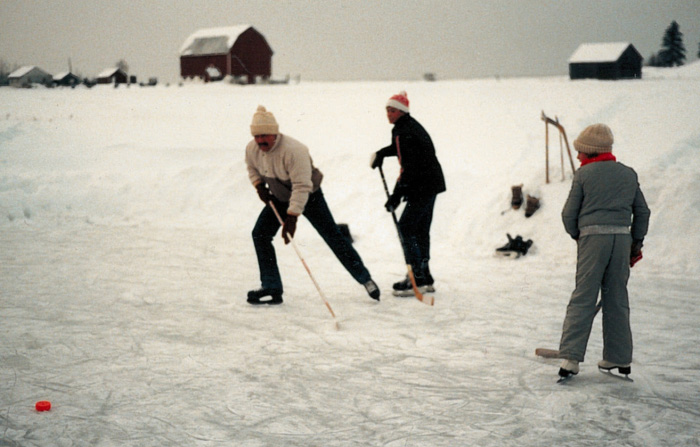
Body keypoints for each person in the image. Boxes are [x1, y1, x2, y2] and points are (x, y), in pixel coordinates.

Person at [245, 105, 380, 305]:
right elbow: (252, 168)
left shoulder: (294, 150)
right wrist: (259, 187)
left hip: (310, 196)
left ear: (275, 133)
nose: (260, 141)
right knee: (260, 234)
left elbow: (302, 186)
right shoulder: (252, 149)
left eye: (264, 135)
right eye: (256, 136)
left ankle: (365, 279)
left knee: (332, 236)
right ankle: (271, 286)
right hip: (280, 198)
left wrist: (292, 218)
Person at [557, 123, 650, 380]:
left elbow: (568, 214)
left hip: (592, 240)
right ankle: (618, 358)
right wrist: (636, 244)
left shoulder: (583, 175)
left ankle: (571, 359)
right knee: (617, 298)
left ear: (590, 152)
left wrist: (579, 234)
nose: (577, 157)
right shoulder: (628, 173)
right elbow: (642, 212)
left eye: (580, 152)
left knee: (584, 296)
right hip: (621, 240)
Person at [370, 91, 446, 294]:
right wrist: (382, 154)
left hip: (421, 185)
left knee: (406, 228)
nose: (388, 114)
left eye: (392, 110)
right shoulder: (409, 127)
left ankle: (417, 278)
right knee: (420, 230)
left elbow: (408, 167)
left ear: (402, 111)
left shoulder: (403, 131)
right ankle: (425, 276)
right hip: (430, 184)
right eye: (387, 110)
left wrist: (396, 196)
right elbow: (402, 150)